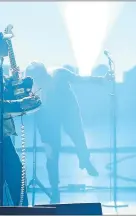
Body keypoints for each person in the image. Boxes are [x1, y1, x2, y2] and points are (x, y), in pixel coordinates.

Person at [26, 62, 111, 203]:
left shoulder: (59, 74)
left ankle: (84, 159)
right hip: (47, 118)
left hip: (69, 111)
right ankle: (55, 189)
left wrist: (101, 79)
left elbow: (80, 79)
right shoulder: (33, 85)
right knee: (51, 154)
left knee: (78, 136)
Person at [0, 28, 39, 213]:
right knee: (11, 174)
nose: (7, 46)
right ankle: (21, 211)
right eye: (4, 43)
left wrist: (16, 83)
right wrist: (21, 104)